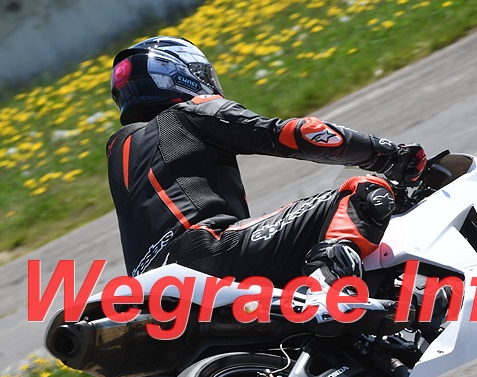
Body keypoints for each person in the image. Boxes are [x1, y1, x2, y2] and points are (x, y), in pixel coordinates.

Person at [105, 36, 426, 302]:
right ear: (182, 75)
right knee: (365, 192)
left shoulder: (119, 150)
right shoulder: (189, 113)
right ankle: (328, 293)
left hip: (149, 291)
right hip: (209, 251)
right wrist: (386, 155)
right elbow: (300, 134)